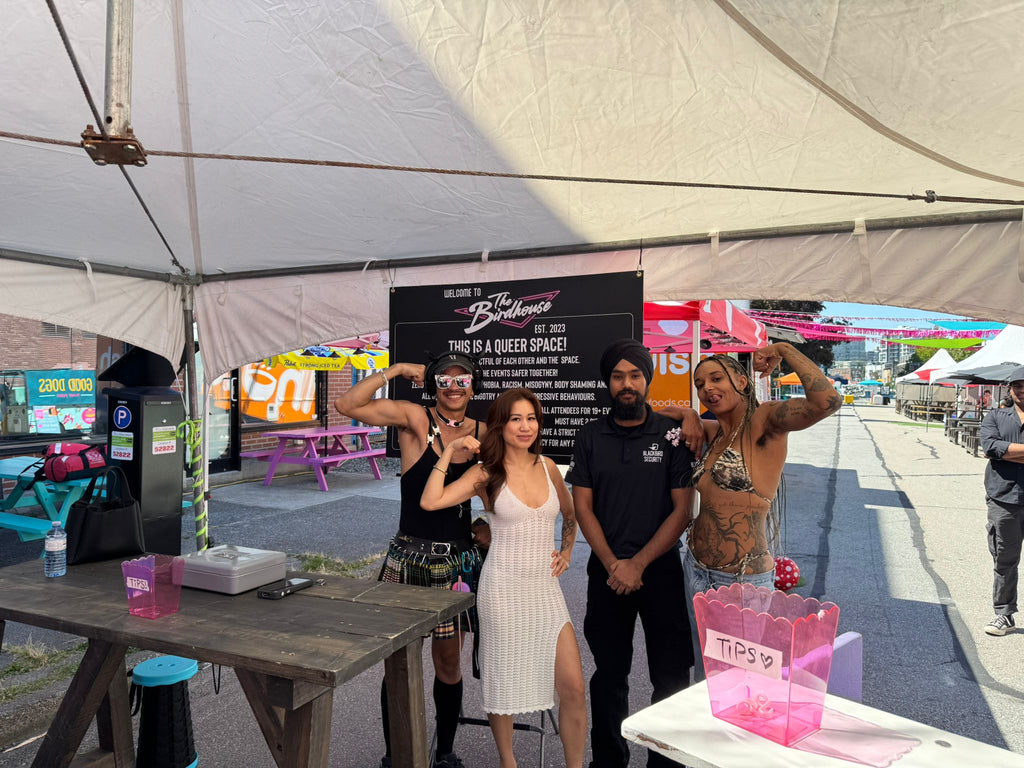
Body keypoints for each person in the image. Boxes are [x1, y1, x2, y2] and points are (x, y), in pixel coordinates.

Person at [334, 352, 487, 768]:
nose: (454, 387)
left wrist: (487, 521)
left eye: (463, 379)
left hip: (455, 561)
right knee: (398, 660)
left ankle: (447, 751)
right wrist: (397, 371)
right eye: (445, 379)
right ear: (433, 383)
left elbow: (503, 486)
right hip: (408, 557)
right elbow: (346, 406)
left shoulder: (486, 433)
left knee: (449, 661)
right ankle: (394, 754)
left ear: (474, 385)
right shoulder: (415, 419)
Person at [420, 388, 586, 768]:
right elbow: (431, 501)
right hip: (502, 590)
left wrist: (567, 551)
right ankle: (507, 762)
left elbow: (571, 515)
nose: (525, 426)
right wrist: (447, 453)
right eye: (516, 419)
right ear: (500, 425)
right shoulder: (486, 472)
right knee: (503, 683)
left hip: (545, 591)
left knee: (574, 687)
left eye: (531, 418)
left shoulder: (547, 465)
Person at [566, 338, 700, 768]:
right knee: (609, 675)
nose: (627, 384)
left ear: (648, 380)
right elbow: (582, 508)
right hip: (606, 574)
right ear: (608, 383)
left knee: (671, 676)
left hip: (659, 573)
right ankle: (608, 761)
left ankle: (664, 764)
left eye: (635, 375)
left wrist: (638, 564)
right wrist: (613, 564)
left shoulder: (671, 435)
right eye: (618, 376)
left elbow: (684, 510)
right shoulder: (589, 436)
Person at [669, 345, 841, 678]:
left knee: (737, 685)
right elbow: (650, 413)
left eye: (717, 378)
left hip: (741, 580)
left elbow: (827, 402)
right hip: (695, 571)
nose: (707, 389)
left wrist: (783, 348)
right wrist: (688, 413)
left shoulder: (765, 423)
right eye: (700, 384)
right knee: (704, 679)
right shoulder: (713, 433)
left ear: (743, 382)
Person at [979, 367, 1024, 636]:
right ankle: (1004, 614)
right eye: (1018, 385)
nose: (1022, 390)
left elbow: (1000, 451)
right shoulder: (995, 416)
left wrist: (1009, 453)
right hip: (1003, 498)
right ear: (1010, 389)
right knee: (1005, 559)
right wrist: (1001, 452)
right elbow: (990, 448)